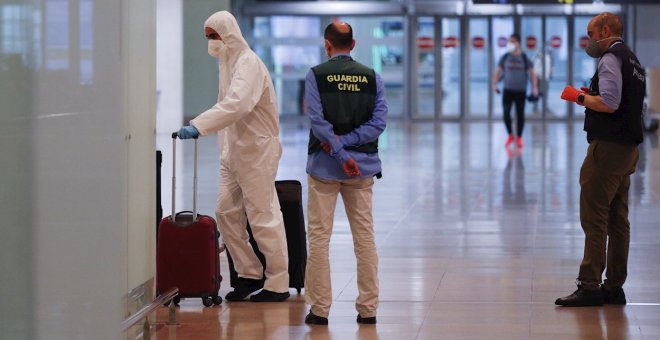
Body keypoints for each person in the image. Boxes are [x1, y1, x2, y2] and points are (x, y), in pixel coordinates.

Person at [176, 10, 290, 303]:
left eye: (215, 36)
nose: (211, 42)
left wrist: (198, 125)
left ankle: (277, 282)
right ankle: (249, 273)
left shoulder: (248, 63)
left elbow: (236, 105)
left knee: (262, 215)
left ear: (228, 34)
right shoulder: (227, 63)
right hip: (233, 153)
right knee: (226, 213)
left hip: (257, 152)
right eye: (208, 37)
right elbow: (228, 106)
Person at [555, 12, 645, 307]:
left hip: (606, 150)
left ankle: (590, 285)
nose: (589, 40)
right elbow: (627, 102)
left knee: (594, 218)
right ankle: (614, 286)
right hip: (628, 149)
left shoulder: (609, 58)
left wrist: (577, 97)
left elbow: (609, 103)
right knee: (619, 220)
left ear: (605, 30)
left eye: (591, 34)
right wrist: (590, 93)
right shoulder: (633, 61)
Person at [303, 21, 387, 325]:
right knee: (364, 238)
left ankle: (320, 309)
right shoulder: (372, 77)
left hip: (324, 169)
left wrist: (337, 149)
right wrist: (350, 150)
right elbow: (378, 123)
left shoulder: (315, 75)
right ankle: (368, 309)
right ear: (353, 45)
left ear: (328, 44)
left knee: (319, 239)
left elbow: (317, 122)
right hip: (361, 169)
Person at [492, 33, 539, 148]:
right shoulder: (505, 57)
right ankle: (510, 135)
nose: (510, 43)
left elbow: (532, 74)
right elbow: (498, 71)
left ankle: (518, 137)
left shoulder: (524, 57)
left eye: (512, 41)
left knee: (520, 114)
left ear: (518, 43)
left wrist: (534, 87)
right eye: (509, 41)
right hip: (508, 90)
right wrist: (494, 84)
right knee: (506, 114)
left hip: (520, 91)